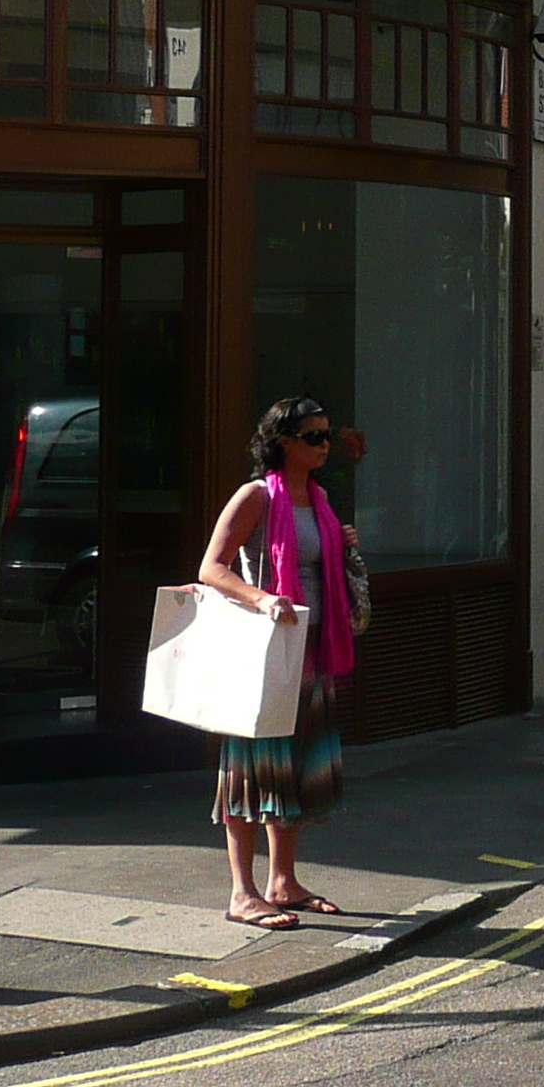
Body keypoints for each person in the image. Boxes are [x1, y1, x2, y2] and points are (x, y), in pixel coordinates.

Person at [197, 396, 362, 930]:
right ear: (283, 442)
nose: (324, 445)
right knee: (252, 770)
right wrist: (261, 598)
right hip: (264, 655)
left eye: (327, 435)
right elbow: (211, 569)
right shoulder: (255, 498)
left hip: (310, 651)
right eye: (313, 436)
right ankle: (242, 893)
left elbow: (320, 563)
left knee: (297, 768)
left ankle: (283, 882)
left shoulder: (318, 499)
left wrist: (342, 543)